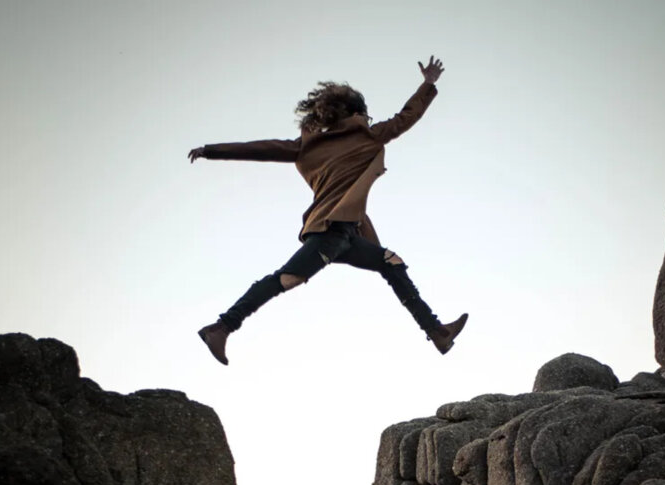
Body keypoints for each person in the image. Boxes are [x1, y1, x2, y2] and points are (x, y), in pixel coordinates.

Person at [189, 56, 467, 365]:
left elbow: (260, 147)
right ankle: (222, 327)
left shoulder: (307, 145)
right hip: (329, 232)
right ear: (356, 113)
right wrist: (428, 84)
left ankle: (437, 332)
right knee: (287, 278)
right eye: (364, 112)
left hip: (347, 233)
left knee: (391, 263)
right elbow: (406, 117)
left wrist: (211, 150)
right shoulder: (366, 135)